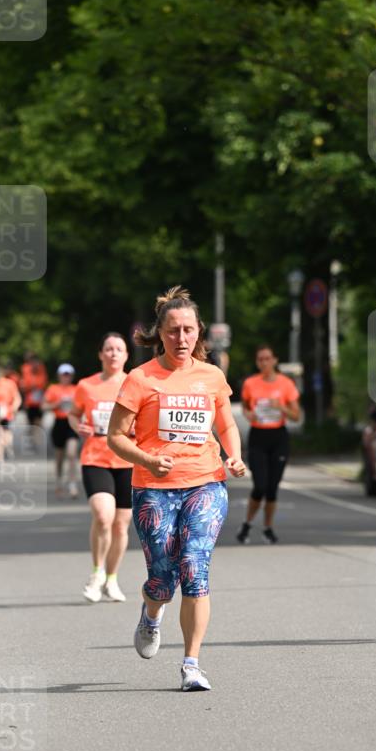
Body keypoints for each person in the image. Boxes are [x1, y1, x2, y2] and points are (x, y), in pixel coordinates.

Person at [107, 287, 246, 692]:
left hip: (205, 482)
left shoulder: (212, 376)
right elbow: (116, 436)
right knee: (163, 577)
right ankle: (151, 613)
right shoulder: (140, 379)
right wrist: (148, 460)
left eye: (188, 330)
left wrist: (233, 456)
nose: (181, 339)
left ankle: (192, 664)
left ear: (199, 332)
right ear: (160, 334)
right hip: (154, 488)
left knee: (194, 568)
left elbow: (227, 426)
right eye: (172, 331)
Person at [69, 334, 133, 603]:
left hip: (128, 459)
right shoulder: (87, 385)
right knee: (103, 516)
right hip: (96, 457)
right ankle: (96, 574)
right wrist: (78, 426)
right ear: (100, 354)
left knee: (121, 525)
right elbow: (73, 414)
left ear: (126, 355)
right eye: (108, 349)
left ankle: (112, 579)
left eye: (119, 349)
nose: (113, 354)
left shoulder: (135, 384)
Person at [237, 345, 300, 544]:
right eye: (260, 359)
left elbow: (296, 416)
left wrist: (281, 406)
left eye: (267, 358)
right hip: (258, 437)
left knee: (272, 488)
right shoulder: (250, 383)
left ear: (274, 360)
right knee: (260, 486)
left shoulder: (286, 384)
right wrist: (249, 415)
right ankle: (247, 524)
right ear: (257, 362)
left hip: (278, 437)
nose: (264, 362)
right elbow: (246, 407)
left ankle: (267, 527)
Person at [44, 364, 80, 498]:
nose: (66, 377)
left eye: (68, 374)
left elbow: (83, 406)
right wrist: (57, 404)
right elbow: (44, 406)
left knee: (71, 454)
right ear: (59, 376)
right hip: (59, 423)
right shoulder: (53, 389)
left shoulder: (76, 389)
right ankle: (59, 481)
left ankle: (72, 484)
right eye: (64, 374)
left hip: (72, 423)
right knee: (59, 457)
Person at [0, 365, 22, 462]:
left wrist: (14, 408)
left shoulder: (9, 383)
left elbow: (17, 398)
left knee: (6, 433)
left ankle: (8, 449)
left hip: (7, 411)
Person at [20, 353, 48, 435]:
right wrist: (32, 387)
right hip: (29, 403)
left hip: (39, 402)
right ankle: (33, 437)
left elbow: (43, 384)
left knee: (38, 422)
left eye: (36, 363)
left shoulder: (42, 370)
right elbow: (23, 386)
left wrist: (33, 386)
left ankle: (38, 438)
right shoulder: (26, 370)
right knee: (31, 422)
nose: (35, 365)